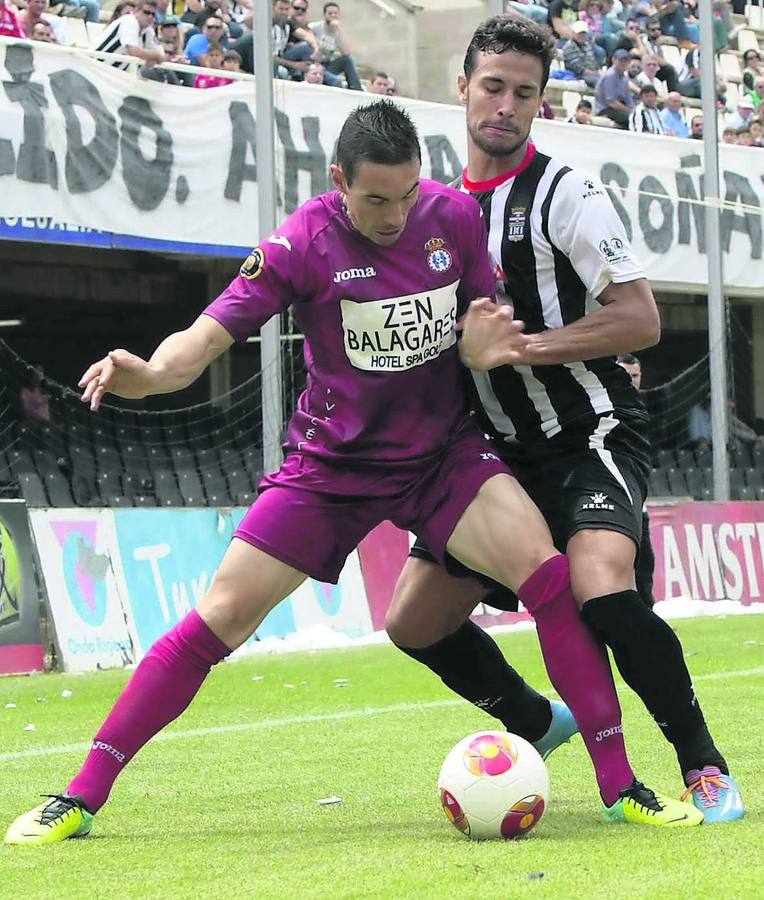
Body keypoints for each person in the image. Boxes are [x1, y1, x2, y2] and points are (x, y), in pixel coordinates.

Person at [5, 99, 698, 847]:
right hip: (330, 467)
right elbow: (200, 344)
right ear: (339, 180)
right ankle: (78, 796)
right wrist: (145, 373)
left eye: (406, 194)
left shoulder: (452, 218)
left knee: (549, 577)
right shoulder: (299, 243)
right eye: (375, 199)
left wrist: (479, 342)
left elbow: (480, 316)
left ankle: (622, 786)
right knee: (219, 619)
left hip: (443, 456)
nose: (396, 214)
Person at [385, 15, 744, 826]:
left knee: (601, 591)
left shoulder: (568, 194)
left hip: (590, 434)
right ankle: (539, 723)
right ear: (464, 88)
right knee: (412, 621)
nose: (505, 105)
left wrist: (520, 350)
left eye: (523, 93)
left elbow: (640, 319)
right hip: (489, 461)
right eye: (492, 87)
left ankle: (703, 766)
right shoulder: (428, 212)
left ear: (540, 104)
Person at [93, 0, 165, 70]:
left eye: (153, 14)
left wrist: (154, 57)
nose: (150, 17)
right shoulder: (129, 20)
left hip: (113, 73)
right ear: (136, 11)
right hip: (93, 66)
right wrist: (154, 55)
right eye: (146, 12)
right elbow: (134, 51)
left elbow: (162, 55)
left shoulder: (148, 30)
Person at [308, 2, 363, 90]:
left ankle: (356, 88)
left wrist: (338, 30)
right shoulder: (315, 27)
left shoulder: (338, 32)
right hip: (313, 64)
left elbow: (346, 53)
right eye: (330, 13)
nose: (333, 15)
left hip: (327, 66)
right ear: (324, 14)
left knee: (348, 59)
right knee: (337, 82)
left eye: (335, 13)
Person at [595, 47, 637, 128]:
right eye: (621, 60)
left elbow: (629, 99)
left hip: (619, 109)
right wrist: (629, 111)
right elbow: (612, 103)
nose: (623, 63)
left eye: (626, 60)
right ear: (614, 60)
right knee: (630, 120)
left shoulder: (624, 78)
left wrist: (634, 110)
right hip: (605, 110)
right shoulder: (610, 76)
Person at [563, 19, 601, 88]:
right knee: (600, 82)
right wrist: (597, 74)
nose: (582, 35)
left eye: (583, 33)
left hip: (591, 74)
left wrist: (599, 72)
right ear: (573, 33)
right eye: (579, 33)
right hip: (578, 75)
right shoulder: (569, 46)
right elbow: (580, 69)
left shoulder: (587, 44)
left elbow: (593, 62)